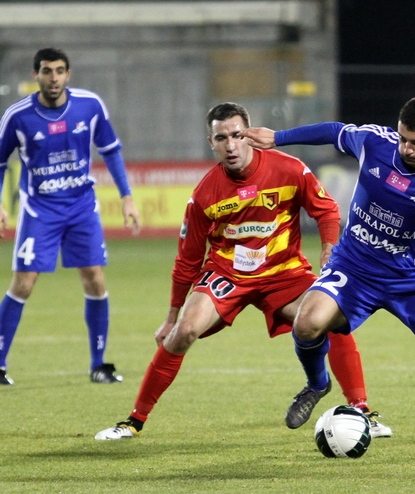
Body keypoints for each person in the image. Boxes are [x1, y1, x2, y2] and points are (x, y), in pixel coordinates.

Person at [239, 94, 415, 450]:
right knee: (306, 323)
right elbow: (334, 131)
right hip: (353, 267)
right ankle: (317, 384)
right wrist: (278, 137)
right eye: (403, 138)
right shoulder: (375, 142)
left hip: (410, 279)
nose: (407, 148)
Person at [95, 102, 391, 440]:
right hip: (227, 274)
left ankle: (362, 411)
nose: (231, 145)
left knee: (330, 318)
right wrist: (172, 316)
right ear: (211, 143)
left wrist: (328, 247)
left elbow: (325, 210)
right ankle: (133, 421)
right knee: (184, 332)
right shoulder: (204, 195)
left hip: (283, 271)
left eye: (237, 135)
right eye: (222, 138)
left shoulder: (289, 169)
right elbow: (188, 261)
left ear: (249, 135)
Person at [0, 48, 140, 386]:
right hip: (40, 211)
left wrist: (127, 197)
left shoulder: (89, 106)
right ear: (36, 75)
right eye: (47, 71)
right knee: (23, 283)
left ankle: (99, 364)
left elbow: (111, 151)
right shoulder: (17, 116)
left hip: (81, 209)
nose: (54, 78)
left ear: (68, 74)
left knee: (95, 279)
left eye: (60, 71)